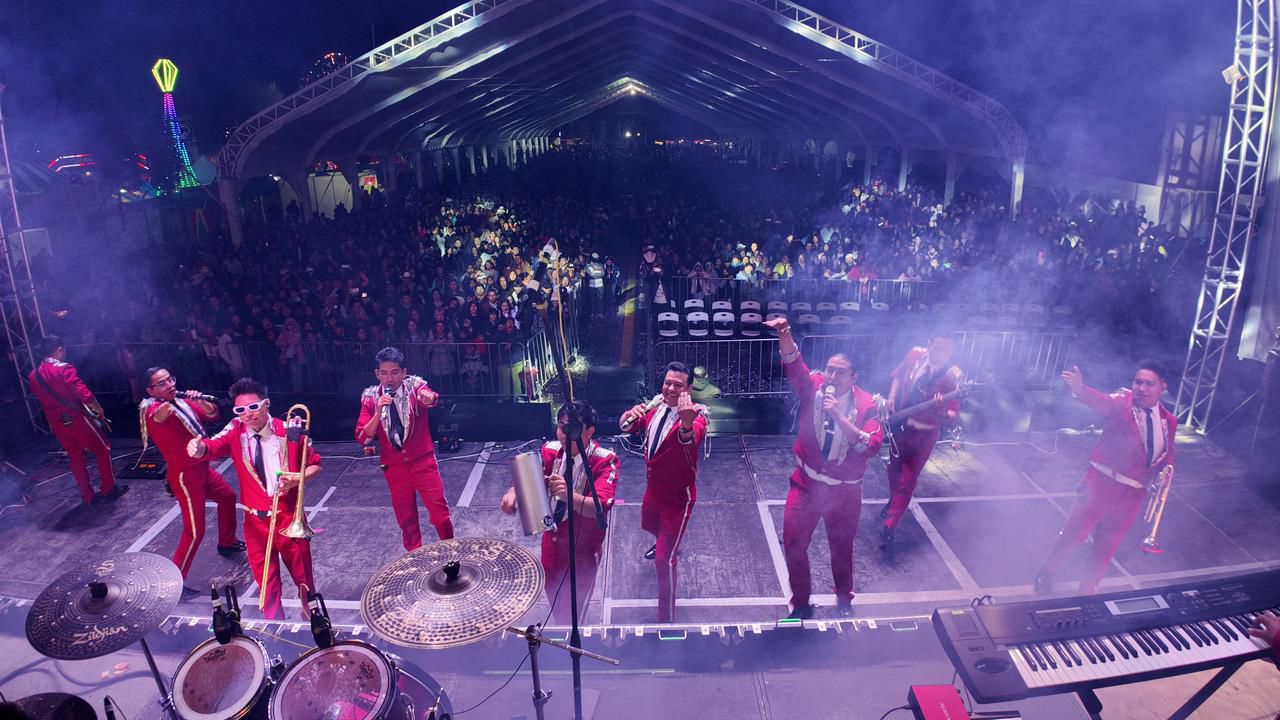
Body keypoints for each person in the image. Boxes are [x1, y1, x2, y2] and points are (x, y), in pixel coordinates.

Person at [765, 317, 883, 619]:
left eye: (840, 372)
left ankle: (844, 600)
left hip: (844, 493)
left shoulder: (867, 404)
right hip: (805, 485)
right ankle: (801, 605)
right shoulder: (814, 387)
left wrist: (840, 417)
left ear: (853, 378)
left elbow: (870, 445)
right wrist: (785, 332)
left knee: (841, 548)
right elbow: (794, 364)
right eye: (830, 369)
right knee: (793, 544)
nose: (831, 376)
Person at [1034, 360, 1177, 595]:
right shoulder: (1123, 401)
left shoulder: (1169, 420)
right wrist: (1080, 390)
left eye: (1149, 384)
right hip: (1100, 484)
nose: (1141, 388)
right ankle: (1047, 571)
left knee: (1107, 545)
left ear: (1163, 387)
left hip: (1133, 493)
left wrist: (1166, 474)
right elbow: (1103, 402)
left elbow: (1168, 452)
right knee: (1074, 534)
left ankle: (1089, 587)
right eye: (1138, 382)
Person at [189, 378, 320, 620]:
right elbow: (213, 446)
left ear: (266, 404)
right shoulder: (235, 430)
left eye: (253, 407)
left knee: (304, 579)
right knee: (267, 585)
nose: (247, 415)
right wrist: (199, 449)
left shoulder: (288, 429)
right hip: (255, 522)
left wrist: (297, 479)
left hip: (288, 516)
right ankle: (274, 629)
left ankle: (313, 621)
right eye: (240, 410)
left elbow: (315, 465)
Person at [501, 401, 618, 624]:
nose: (565, 434)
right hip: (551, 542)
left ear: (589, 432)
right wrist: (513, 493)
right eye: (561, 427)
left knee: (573, 615)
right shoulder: (551, 450)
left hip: (583, 550)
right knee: (555, 600)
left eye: (572, 429)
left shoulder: (604, 459)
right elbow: (528, 478)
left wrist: (569, 497)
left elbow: (600, 508)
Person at [621, 361, 708, 622]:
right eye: (668, 382)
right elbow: (625, 427)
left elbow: (691, 438)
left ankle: (666, 618)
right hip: (653, 489)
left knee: (664, 561)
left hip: (678, 498)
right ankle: (667, 543)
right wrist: (629, 415)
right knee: (649, 524)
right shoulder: (655, 406)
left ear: (688, 388)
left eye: (677, 384)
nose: (670, 388)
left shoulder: (697, 414)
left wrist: (685, 424)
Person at [140, 366, 243, 588]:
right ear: (150, 390)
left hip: (202, 468)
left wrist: (199, 400)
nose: (170, 385)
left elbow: (213, 414)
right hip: (185, 476)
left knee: (227, 496)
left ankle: (227, 542)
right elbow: (159, 416)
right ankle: (175, 580)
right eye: (162, 383)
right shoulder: (150, 409)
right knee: (195, 531)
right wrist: (171, 401)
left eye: (170, 380)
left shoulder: (183, 402)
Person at [356, 346, 452, 552]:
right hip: (395, 468)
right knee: (406, 520)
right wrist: (378, 410)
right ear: (377, 374)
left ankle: (451, 551)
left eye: (394, 372)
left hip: (423, 462)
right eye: (384, 373)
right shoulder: (370, 399)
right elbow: (363, 437)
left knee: (439, 515)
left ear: (404, 372)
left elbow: (430, 396)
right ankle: (414, 560)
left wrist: (429, 397)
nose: (389, 378)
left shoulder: (414, 388)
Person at [879, 334, 963, 549]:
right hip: (901, 426)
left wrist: (942, 410)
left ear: (950, 353)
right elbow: (898, 376)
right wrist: (891, 396)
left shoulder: (953, 375)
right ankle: (893, 501)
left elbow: (954, 414)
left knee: (908, 480)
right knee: (893, 471)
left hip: (925, 435)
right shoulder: (915, 355)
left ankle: (890, 525)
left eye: (944, 350)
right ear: (929, 345)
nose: (939, 353)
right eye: (936, 347)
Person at [28, 336, 126, 506]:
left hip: (56, 421)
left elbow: (42, 400)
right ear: (59, 349)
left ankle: (87, 496)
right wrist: (98, 410)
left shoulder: (33, 375)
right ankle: (109, 489)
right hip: (75, 417)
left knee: (75, 456)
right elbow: (84, 393)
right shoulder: (63, 369)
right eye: (63, 349)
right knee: (103, 449)